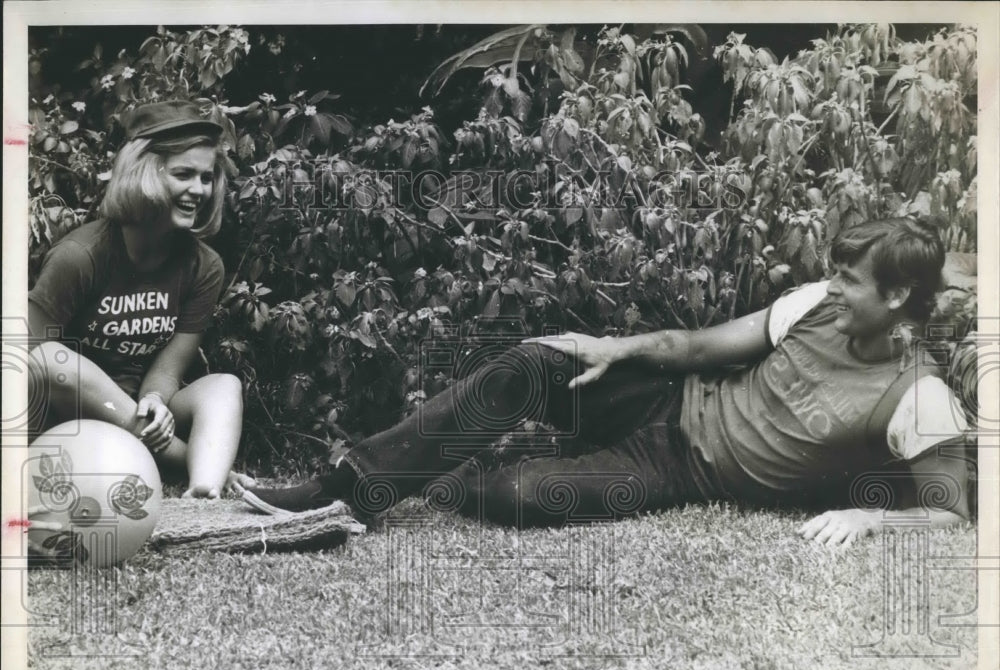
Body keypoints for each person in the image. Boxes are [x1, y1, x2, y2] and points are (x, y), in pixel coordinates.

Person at [242, 217, 972, 546]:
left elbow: (948, 514)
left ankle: (446, 473)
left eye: (849, 280)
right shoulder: (813, 305)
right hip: (668, 399)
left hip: (680, 471)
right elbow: (694, 346)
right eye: (836, 275)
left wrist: (869, 517)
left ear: (899, 297)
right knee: (532, 363)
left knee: (519, 496)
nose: (833, 288)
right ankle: (350, 487)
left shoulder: (921, 396)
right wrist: (610, 347)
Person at [29, 100, 247, 499]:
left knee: (223, 386)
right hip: (67, 420)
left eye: (207, 176)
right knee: (52, 359)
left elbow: (167, 370)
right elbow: (27, 361)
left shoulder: (204, 266)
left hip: (138, 413)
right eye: (184, 174)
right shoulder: (81, 256)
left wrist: (154, 400)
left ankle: (205, 490)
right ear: (144, 171)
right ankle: (187, 461)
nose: (199, 189)